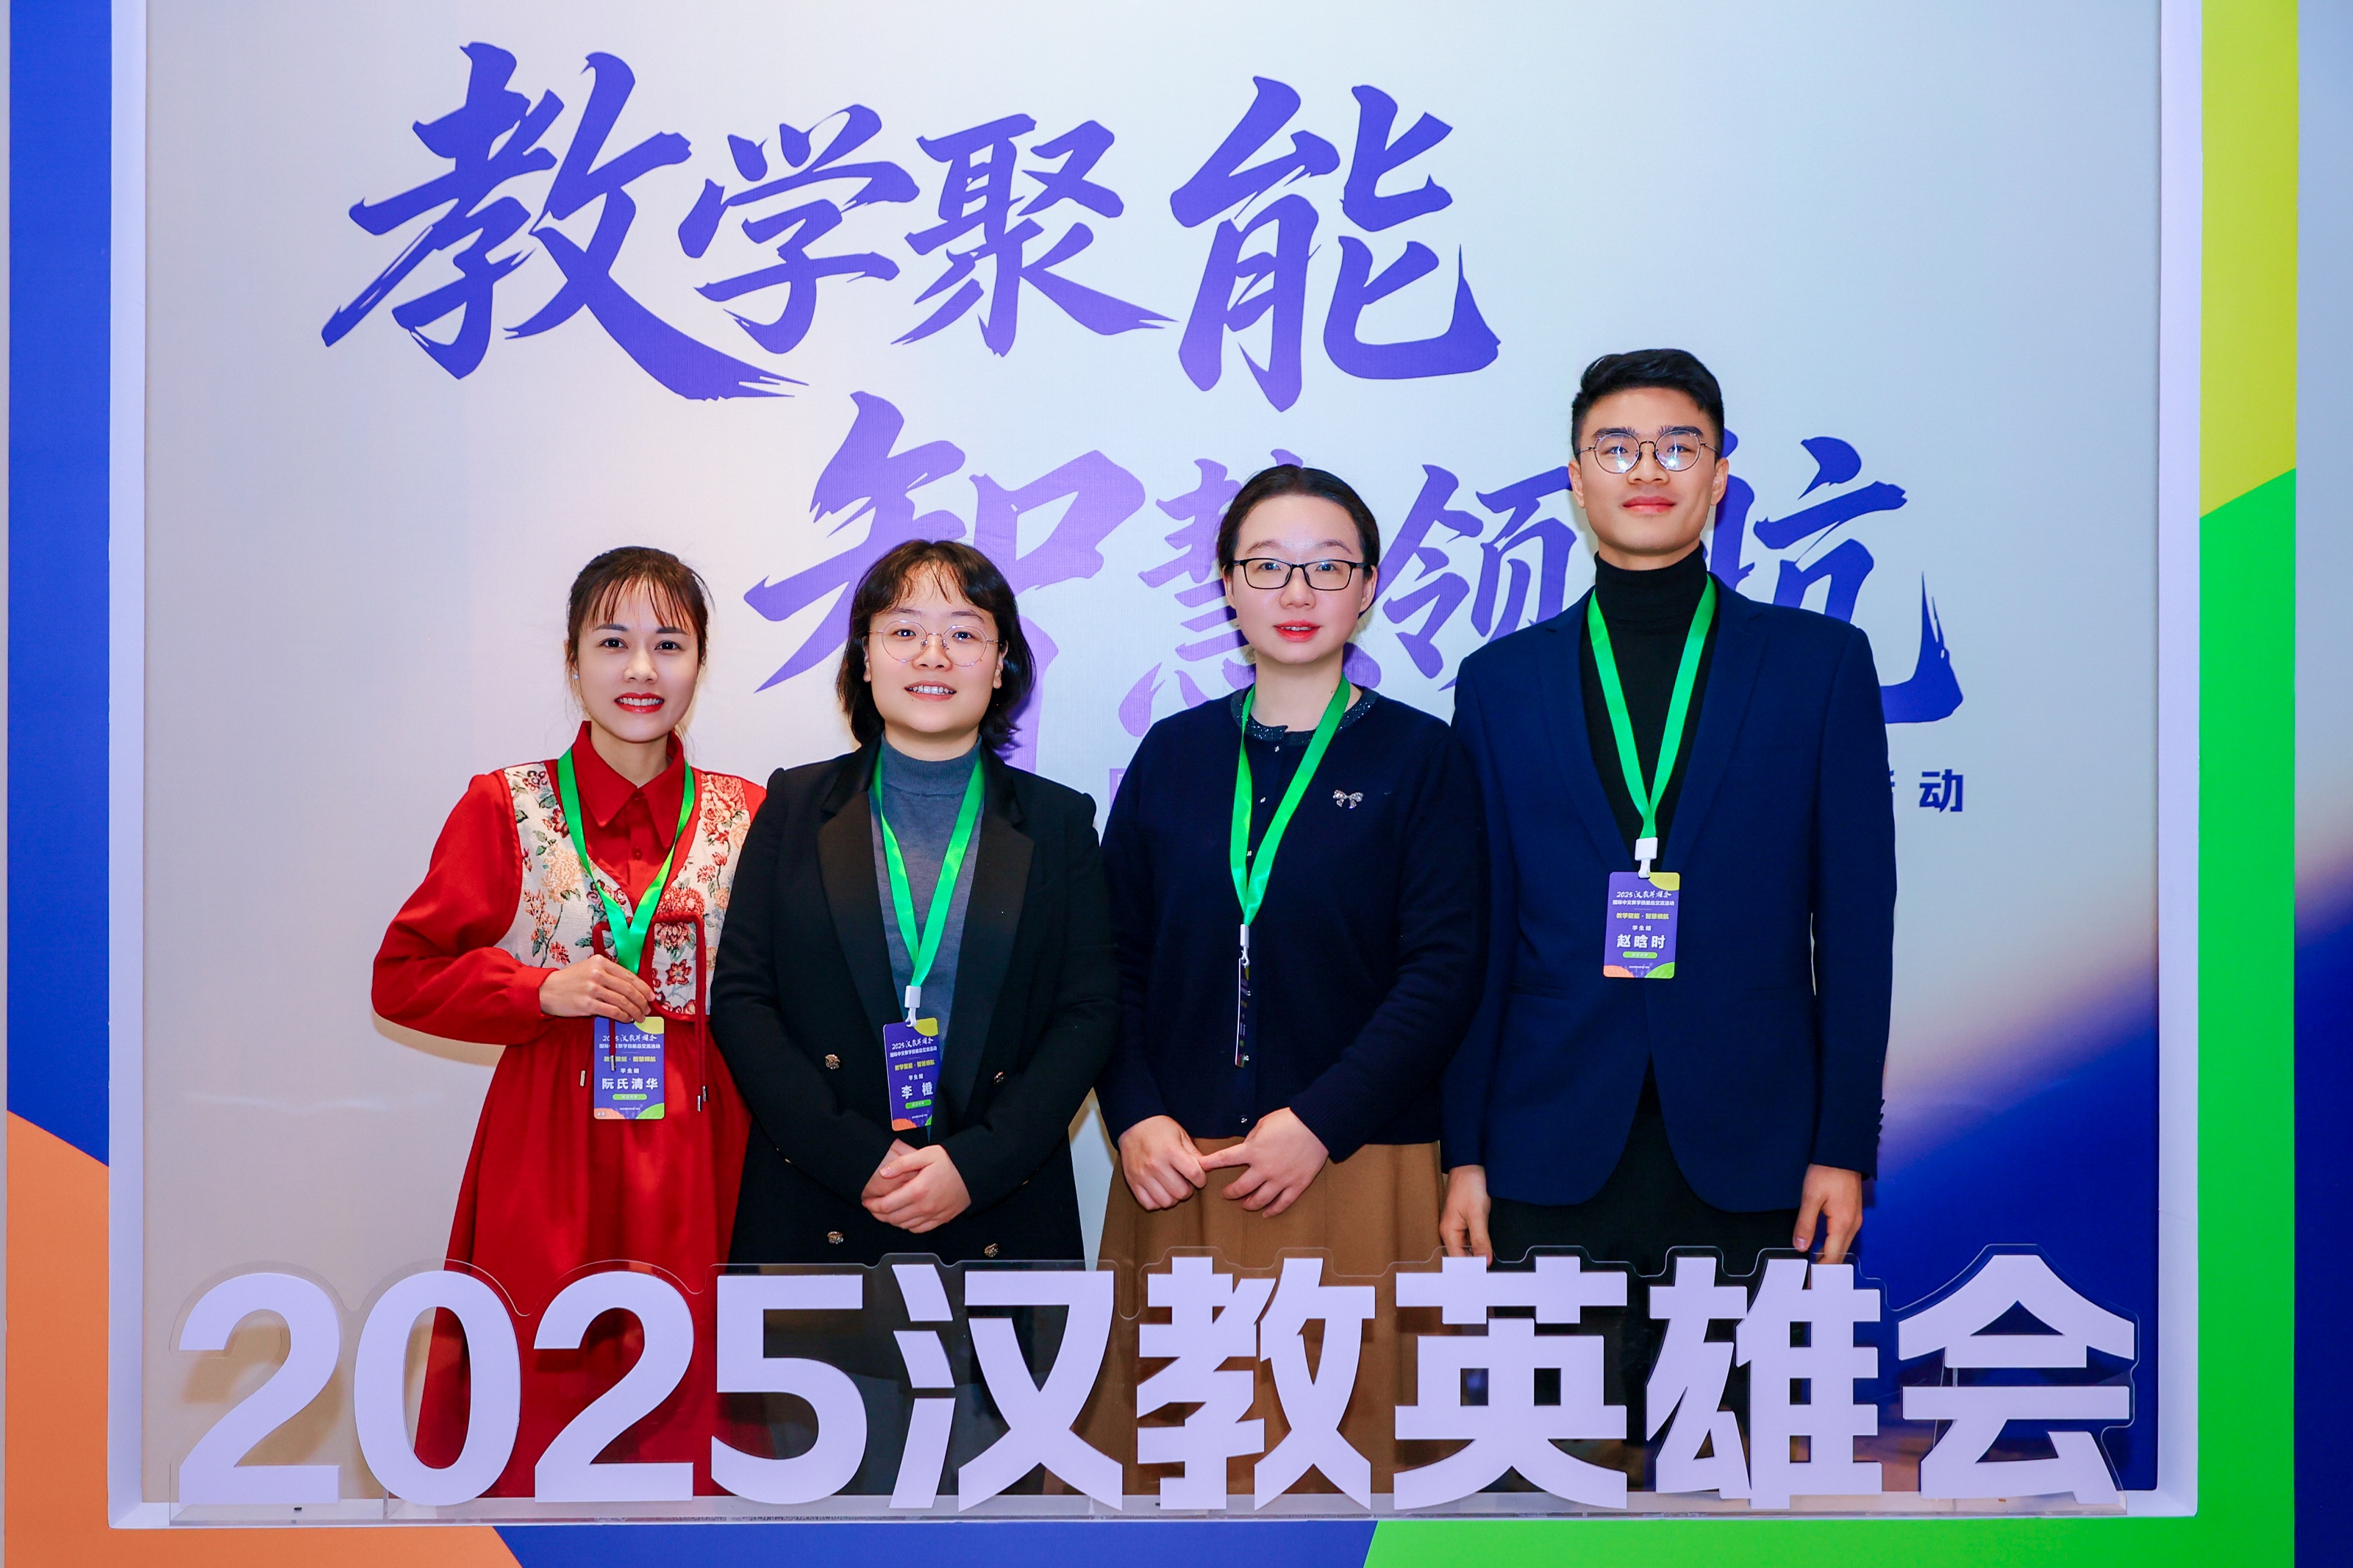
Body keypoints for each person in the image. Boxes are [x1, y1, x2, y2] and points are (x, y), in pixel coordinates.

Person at [1440, 348, 1896, 1301]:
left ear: (1719, 476)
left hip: (1758, 1150)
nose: (1646, 469)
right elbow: (1477, 937)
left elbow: (1857, 930)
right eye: (1615, 448)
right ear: (1576, 479)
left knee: (1733, 1407)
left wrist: (1843, 1146)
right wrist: (1464, 1152)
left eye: (1677, 446)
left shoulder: (1818, 667)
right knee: (1551, 1409)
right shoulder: (1499, 684)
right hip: (1544, 1147)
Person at [1085, 464, 1487, 1498]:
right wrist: (1134, 1115)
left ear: (1369, 587)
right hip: (1181, 1168)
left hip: (1356, 1159)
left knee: (1351, 1471)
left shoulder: (1421, 758)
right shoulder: (1173, 755)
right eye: (1267, 566)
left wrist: (1318, 1121)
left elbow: (1442, 973)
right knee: (1177, 1474)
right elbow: (1109, 962)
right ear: (1227, 585)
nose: (1297, 592)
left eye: (1327, 567)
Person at [374, 545, 765, 1497]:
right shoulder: (505, 805)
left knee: (697, 1410)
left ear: (699, 664)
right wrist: (534, 991)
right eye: (613, 642)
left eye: (669, 644)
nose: (641, 669)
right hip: (548, 1146)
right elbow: (402, 976)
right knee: (536, 1385)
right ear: (572, 660)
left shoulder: (747, 815)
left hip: (703, 1149)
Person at [711, 539, 1118, 1268]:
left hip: (1000, 1207)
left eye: (964, 634)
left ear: (1001, 663)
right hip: (821, 1198)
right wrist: (855, 1157)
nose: (933, 656)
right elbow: (744, 1000)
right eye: (903, 631)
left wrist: (975, 1166)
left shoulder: (1058, 822)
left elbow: (1086, 1012)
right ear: (865, 659)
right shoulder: (795, 805)